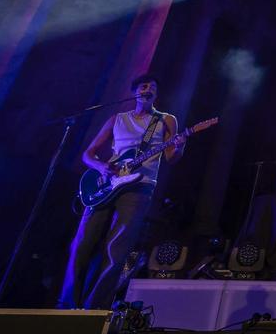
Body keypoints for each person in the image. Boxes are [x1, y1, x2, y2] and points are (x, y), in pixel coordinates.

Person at [57, 74, 186, 309]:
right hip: (107, 184)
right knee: (81, 244)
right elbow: (88, 154)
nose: (148, 89)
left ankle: (94, 308)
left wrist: (179, 147)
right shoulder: (117, 119)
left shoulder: (166, 120)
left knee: (116, 248)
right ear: (135, 92)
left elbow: (171, 158)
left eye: (153, 87)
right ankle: (67, 305)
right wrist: (101, 167)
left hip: (139, 186)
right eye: (144, 86)